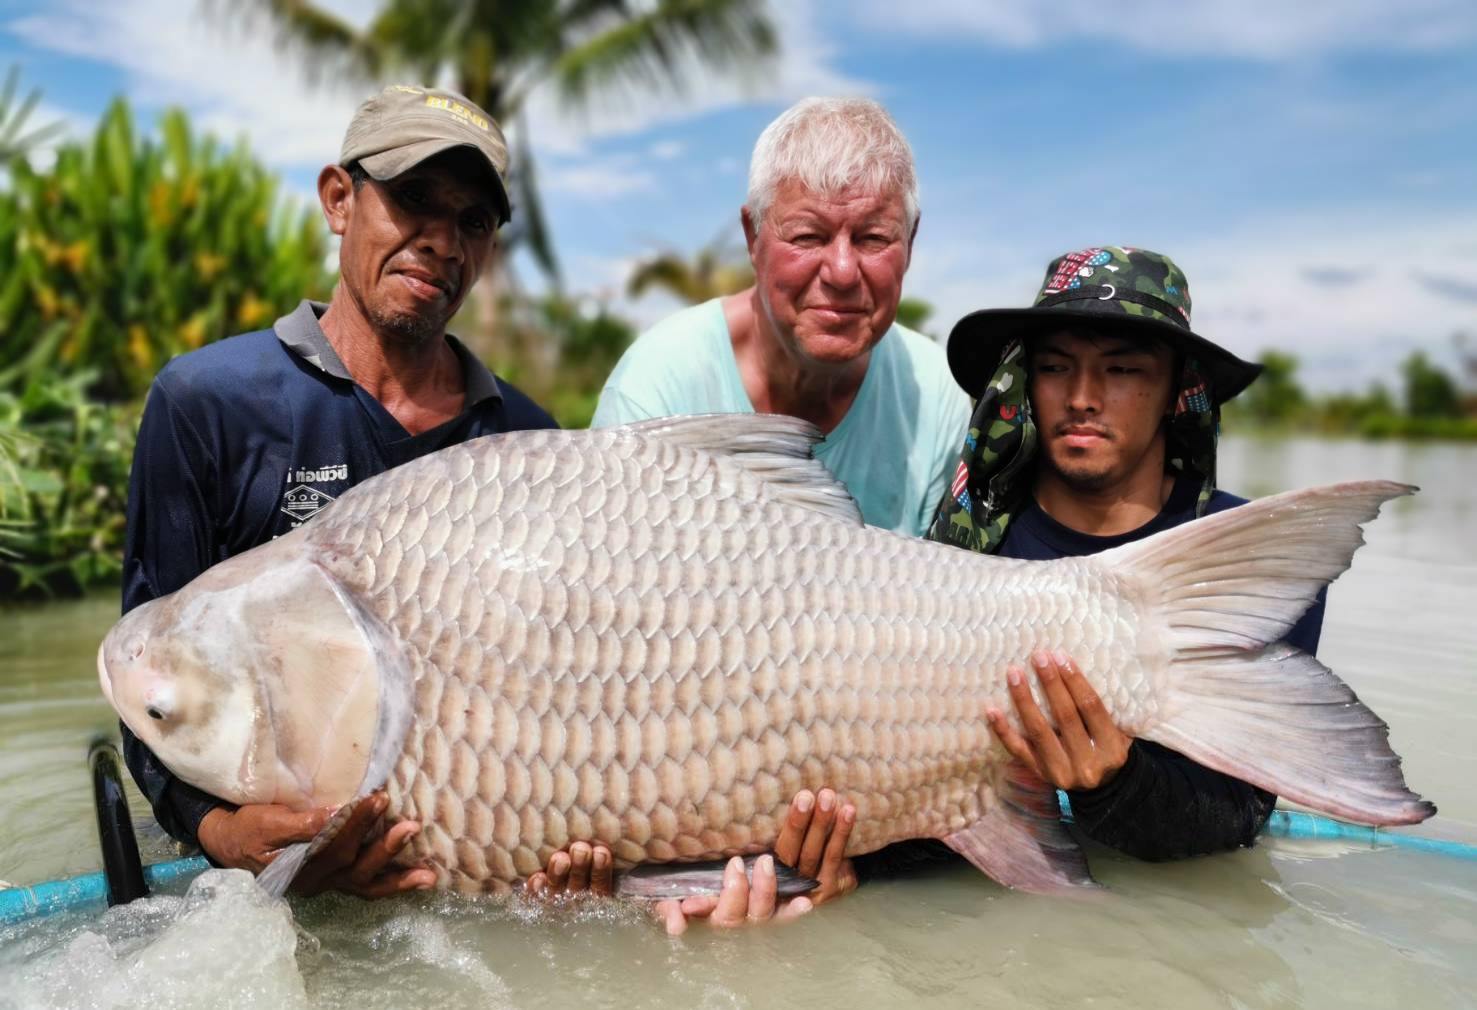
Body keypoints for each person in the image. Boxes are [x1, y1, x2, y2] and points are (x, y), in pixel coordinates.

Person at [120, 84, 558, 897]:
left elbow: (564, 689)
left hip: (465, 871)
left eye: (473, 222)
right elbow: (151, 680)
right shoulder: (207, 404)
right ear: (338, 200)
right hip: (258, 883)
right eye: (414, 200)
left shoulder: (528, 443)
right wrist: (221, 833)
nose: (441, 240)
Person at [933, 245, 1324, 859]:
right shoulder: (966, 546)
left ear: (1176, 390)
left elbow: (1240, 814)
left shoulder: (1251, 556)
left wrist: (1117, 783)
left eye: (1122, 371)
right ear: (1026, 382)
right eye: (1056, 368)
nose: (1083, 396)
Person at [592, 96, 971, 537]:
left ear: (911, 240)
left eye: (872, 238)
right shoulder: (654, 392)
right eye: (809, 237)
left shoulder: (936, 396)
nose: (843, 272)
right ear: (753, 237)